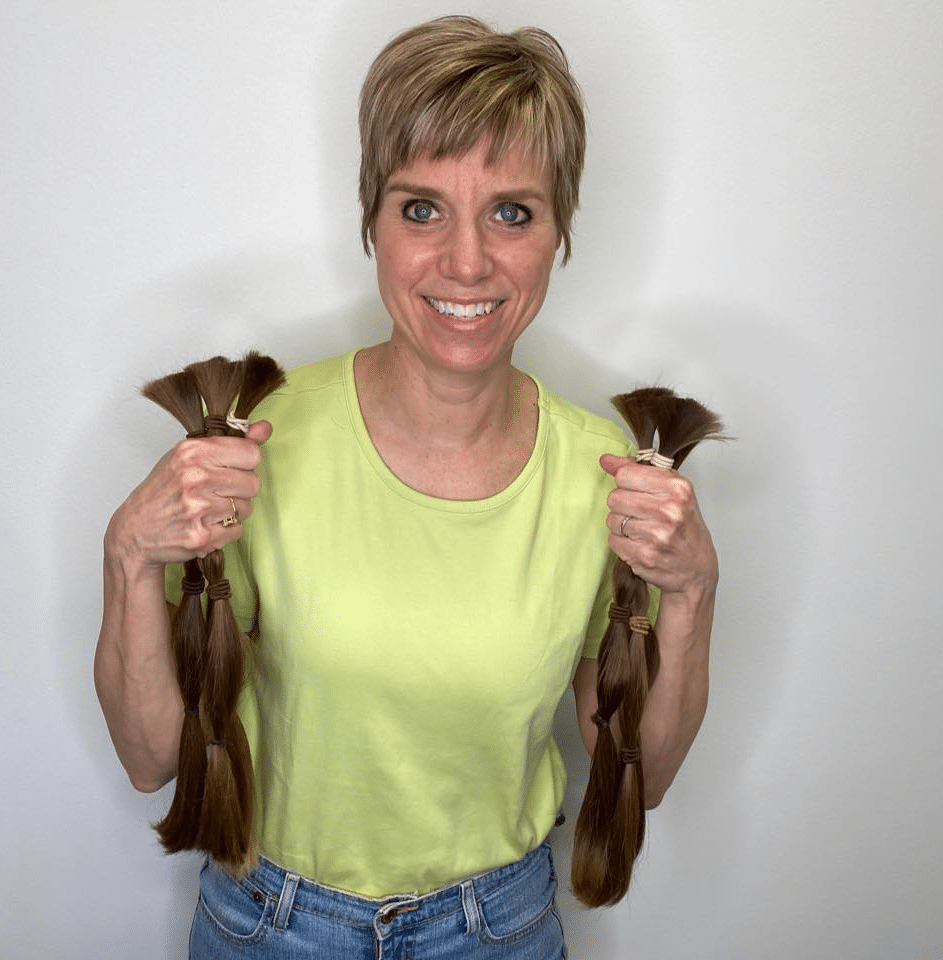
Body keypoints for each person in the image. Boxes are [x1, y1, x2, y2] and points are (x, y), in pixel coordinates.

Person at [94, 15, 718, 959]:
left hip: (498, 931)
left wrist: (693, 591)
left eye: (513, 211)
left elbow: (646, 775)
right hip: (270, 925)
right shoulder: (258, 443)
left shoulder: (606, 478)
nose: (466, 263)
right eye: (421, 208)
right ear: (371, 223)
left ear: (561, 232)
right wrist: (131, 554)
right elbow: (149, 761)